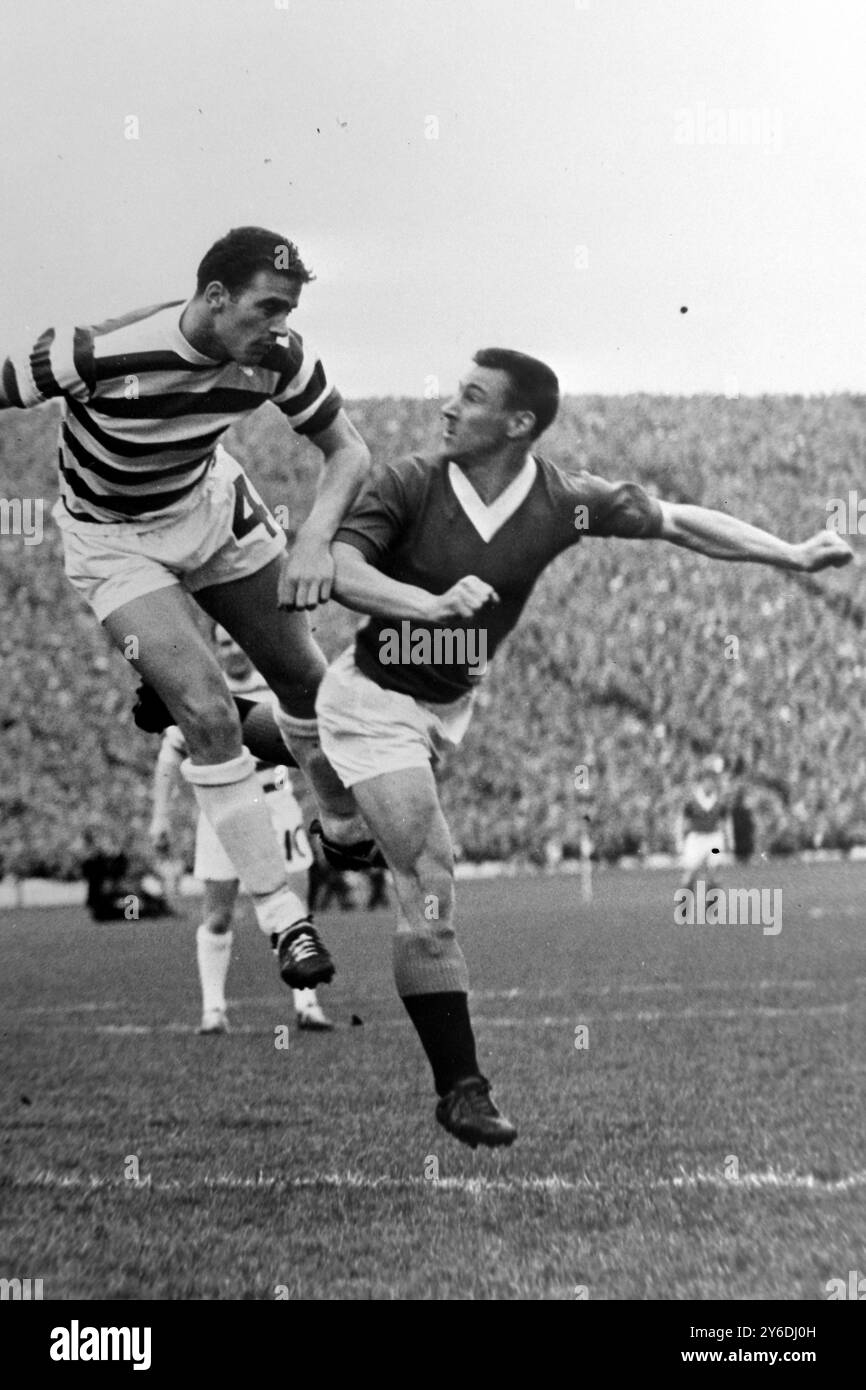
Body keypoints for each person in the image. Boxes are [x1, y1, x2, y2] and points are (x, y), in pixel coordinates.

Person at [312, 347, 853, 1148]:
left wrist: (791, 552)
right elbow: (338, 568)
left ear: (519, 422)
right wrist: (426, 606)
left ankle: (304, 769)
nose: (447, 409)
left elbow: (679, 523)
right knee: (430, 874)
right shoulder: (408, 482)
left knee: (329, 770)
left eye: (469, 398)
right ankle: (461, 1088)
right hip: (374, 697)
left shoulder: (562, 500)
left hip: (447, 706)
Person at [0, 226, 372, 991]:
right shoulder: (97, 350)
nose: (280, 327)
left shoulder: (279, 359)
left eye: (290, 310)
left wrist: (313, 542)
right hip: (114, 539)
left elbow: (351, 452)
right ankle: (282, 918)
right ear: (213, 297)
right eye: (267, 308)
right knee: (206, 711)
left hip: (210, 508)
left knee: (308, 679)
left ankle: (337, 819)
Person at [149, 626, 332, 1033]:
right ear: (216, 648)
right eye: (225, 643)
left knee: (296, 909)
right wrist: (160, 815)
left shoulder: (275, 686)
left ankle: (307, 1005)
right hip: (223, 808)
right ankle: (213, 1011)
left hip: (277, 805)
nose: (233, 650)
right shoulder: (202, 691)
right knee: (217, 913)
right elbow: (170, 754)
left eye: (238, 641)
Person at [674, 755, 731, 891]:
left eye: (712, 782)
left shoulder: (719, 802)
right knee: (691, 873)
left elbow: (725, 823)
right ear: (702, 782)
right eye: (707, 781)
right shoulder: (691, 802)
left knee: (714, 872)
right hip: (696, 838)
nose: (710, 785)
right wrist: (680, 842)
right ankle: (684, 908)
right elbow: (682, 823)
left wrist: (728, 841)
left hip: (713, 838)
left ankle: (711, 909)